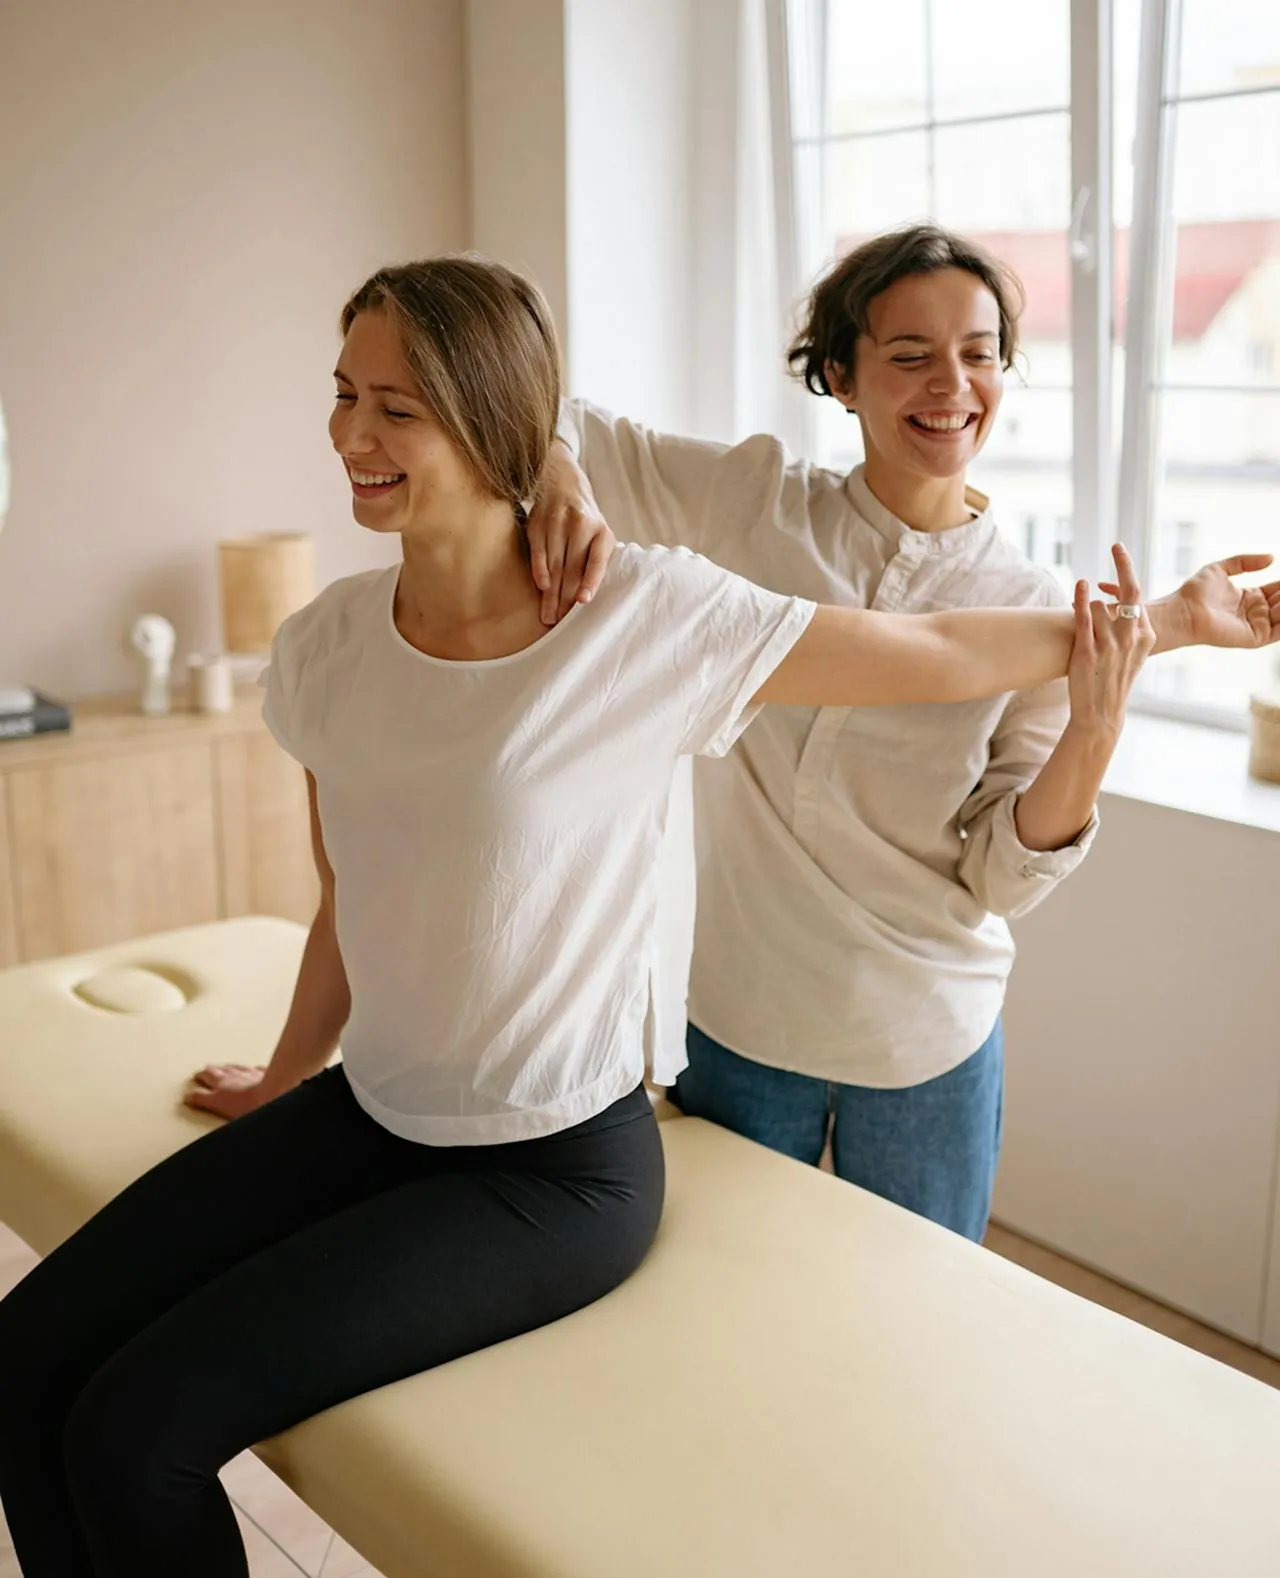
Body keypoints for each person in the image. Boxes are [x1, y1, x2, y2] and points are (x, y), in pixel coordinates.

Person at [0, 254, 1271, 1578]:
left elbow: (946, 653)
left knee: (135, 1431)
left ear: (491, 423)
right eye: (343, 395)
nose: (348, 436)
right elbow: (345, 896)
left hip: (554, 1167)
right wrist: (283, 1072)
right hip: (372, 1109)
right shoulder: (326, 642)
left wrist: (1170, 619)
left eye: (397, 408)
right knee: (28, 1363)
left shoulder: (640, 621)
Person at [526, 221, 1280, 1240]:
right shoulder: (752, 505)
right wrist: (565, 481)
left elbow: (998, 881)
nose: (950, 384)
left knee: (917, 1343)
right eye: (909, 354)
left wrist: (1093, 731)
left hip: (923, 1041)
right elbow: (550, 416)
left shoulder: (1032, 606)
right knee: (728, 1310)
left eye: (977, 354)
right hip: (748, 1022)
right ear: (840, 374)